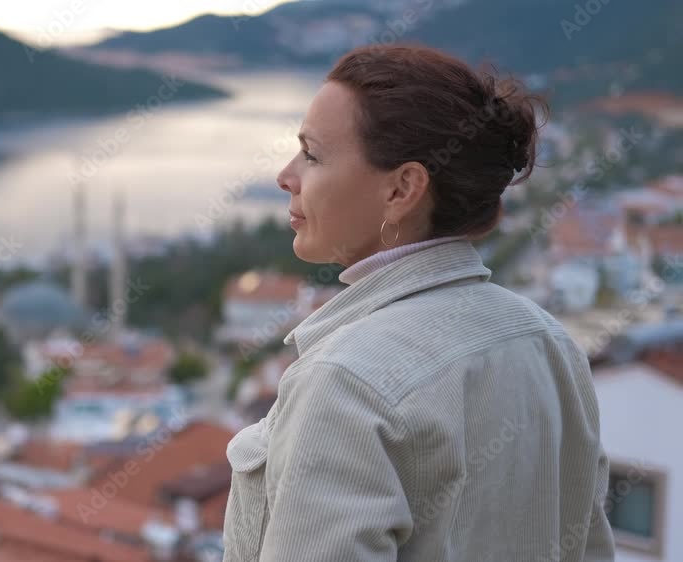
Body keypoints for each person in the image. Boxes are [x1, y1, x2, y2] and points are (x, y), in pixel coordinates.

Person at [222, 44, 616, 562]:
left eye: (312, 154)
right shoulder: (549, 342)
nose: (285, 175)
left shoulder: (345, 381)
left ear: (402, 189)